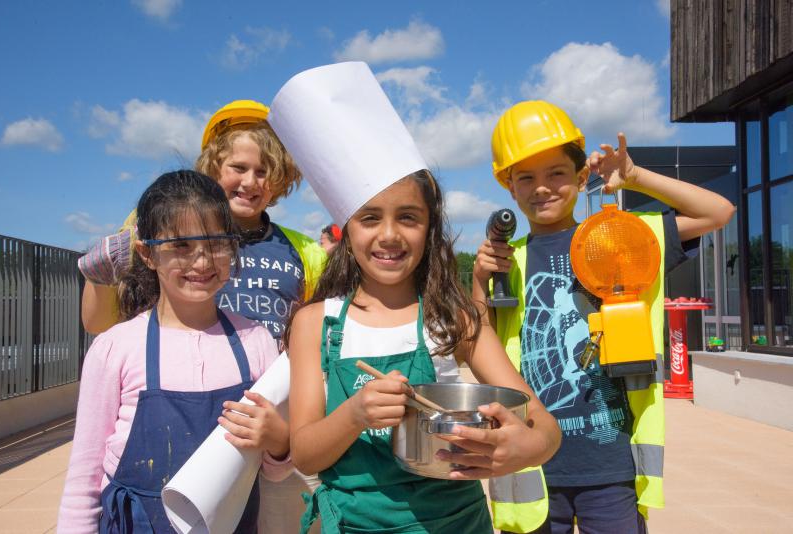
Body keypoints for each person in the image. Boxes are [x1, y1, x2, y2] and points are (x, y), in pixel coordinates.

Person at [269, 61, 561, 534]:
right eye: (369, 219)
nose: (389, 235)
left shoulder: (456, 319)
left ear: (430, 227)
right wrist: (354, 414)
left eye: (408, 217)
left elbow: (545, 428)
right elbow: (304, 451)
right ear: (346, 232)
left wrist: (529, 449)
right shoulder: (315, 324)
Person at [473, 101, 736, 534]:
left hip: (610, 465)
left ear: (581, 177)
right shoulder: (508, 263)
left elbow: (718, 212)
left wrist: (635, 175)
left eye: (557, 173)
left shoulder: (621, 239)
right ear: (510, 187)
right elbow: (475, 337)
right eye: (526, 178)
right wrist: (480, 281)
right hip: (531, 465)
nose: (542, 188)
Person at [77, 100, 327, 533]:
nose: (251, 181)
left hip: (261, 427)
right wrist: (99, 275)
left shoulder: (304, 251)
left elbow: (318, 334)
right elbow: (102, 324)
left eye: (265, 171)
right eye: (238, 167)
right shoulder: (155, 226)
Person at [57, 170, 292, 533]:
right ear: (147, 254)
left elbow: (275, 471)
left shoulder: (258, 342)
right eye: (181, 245)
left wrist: (278, 441)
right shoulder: (115, 348)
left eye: (216, 243)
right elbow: (84, 480)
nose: (201, 261)